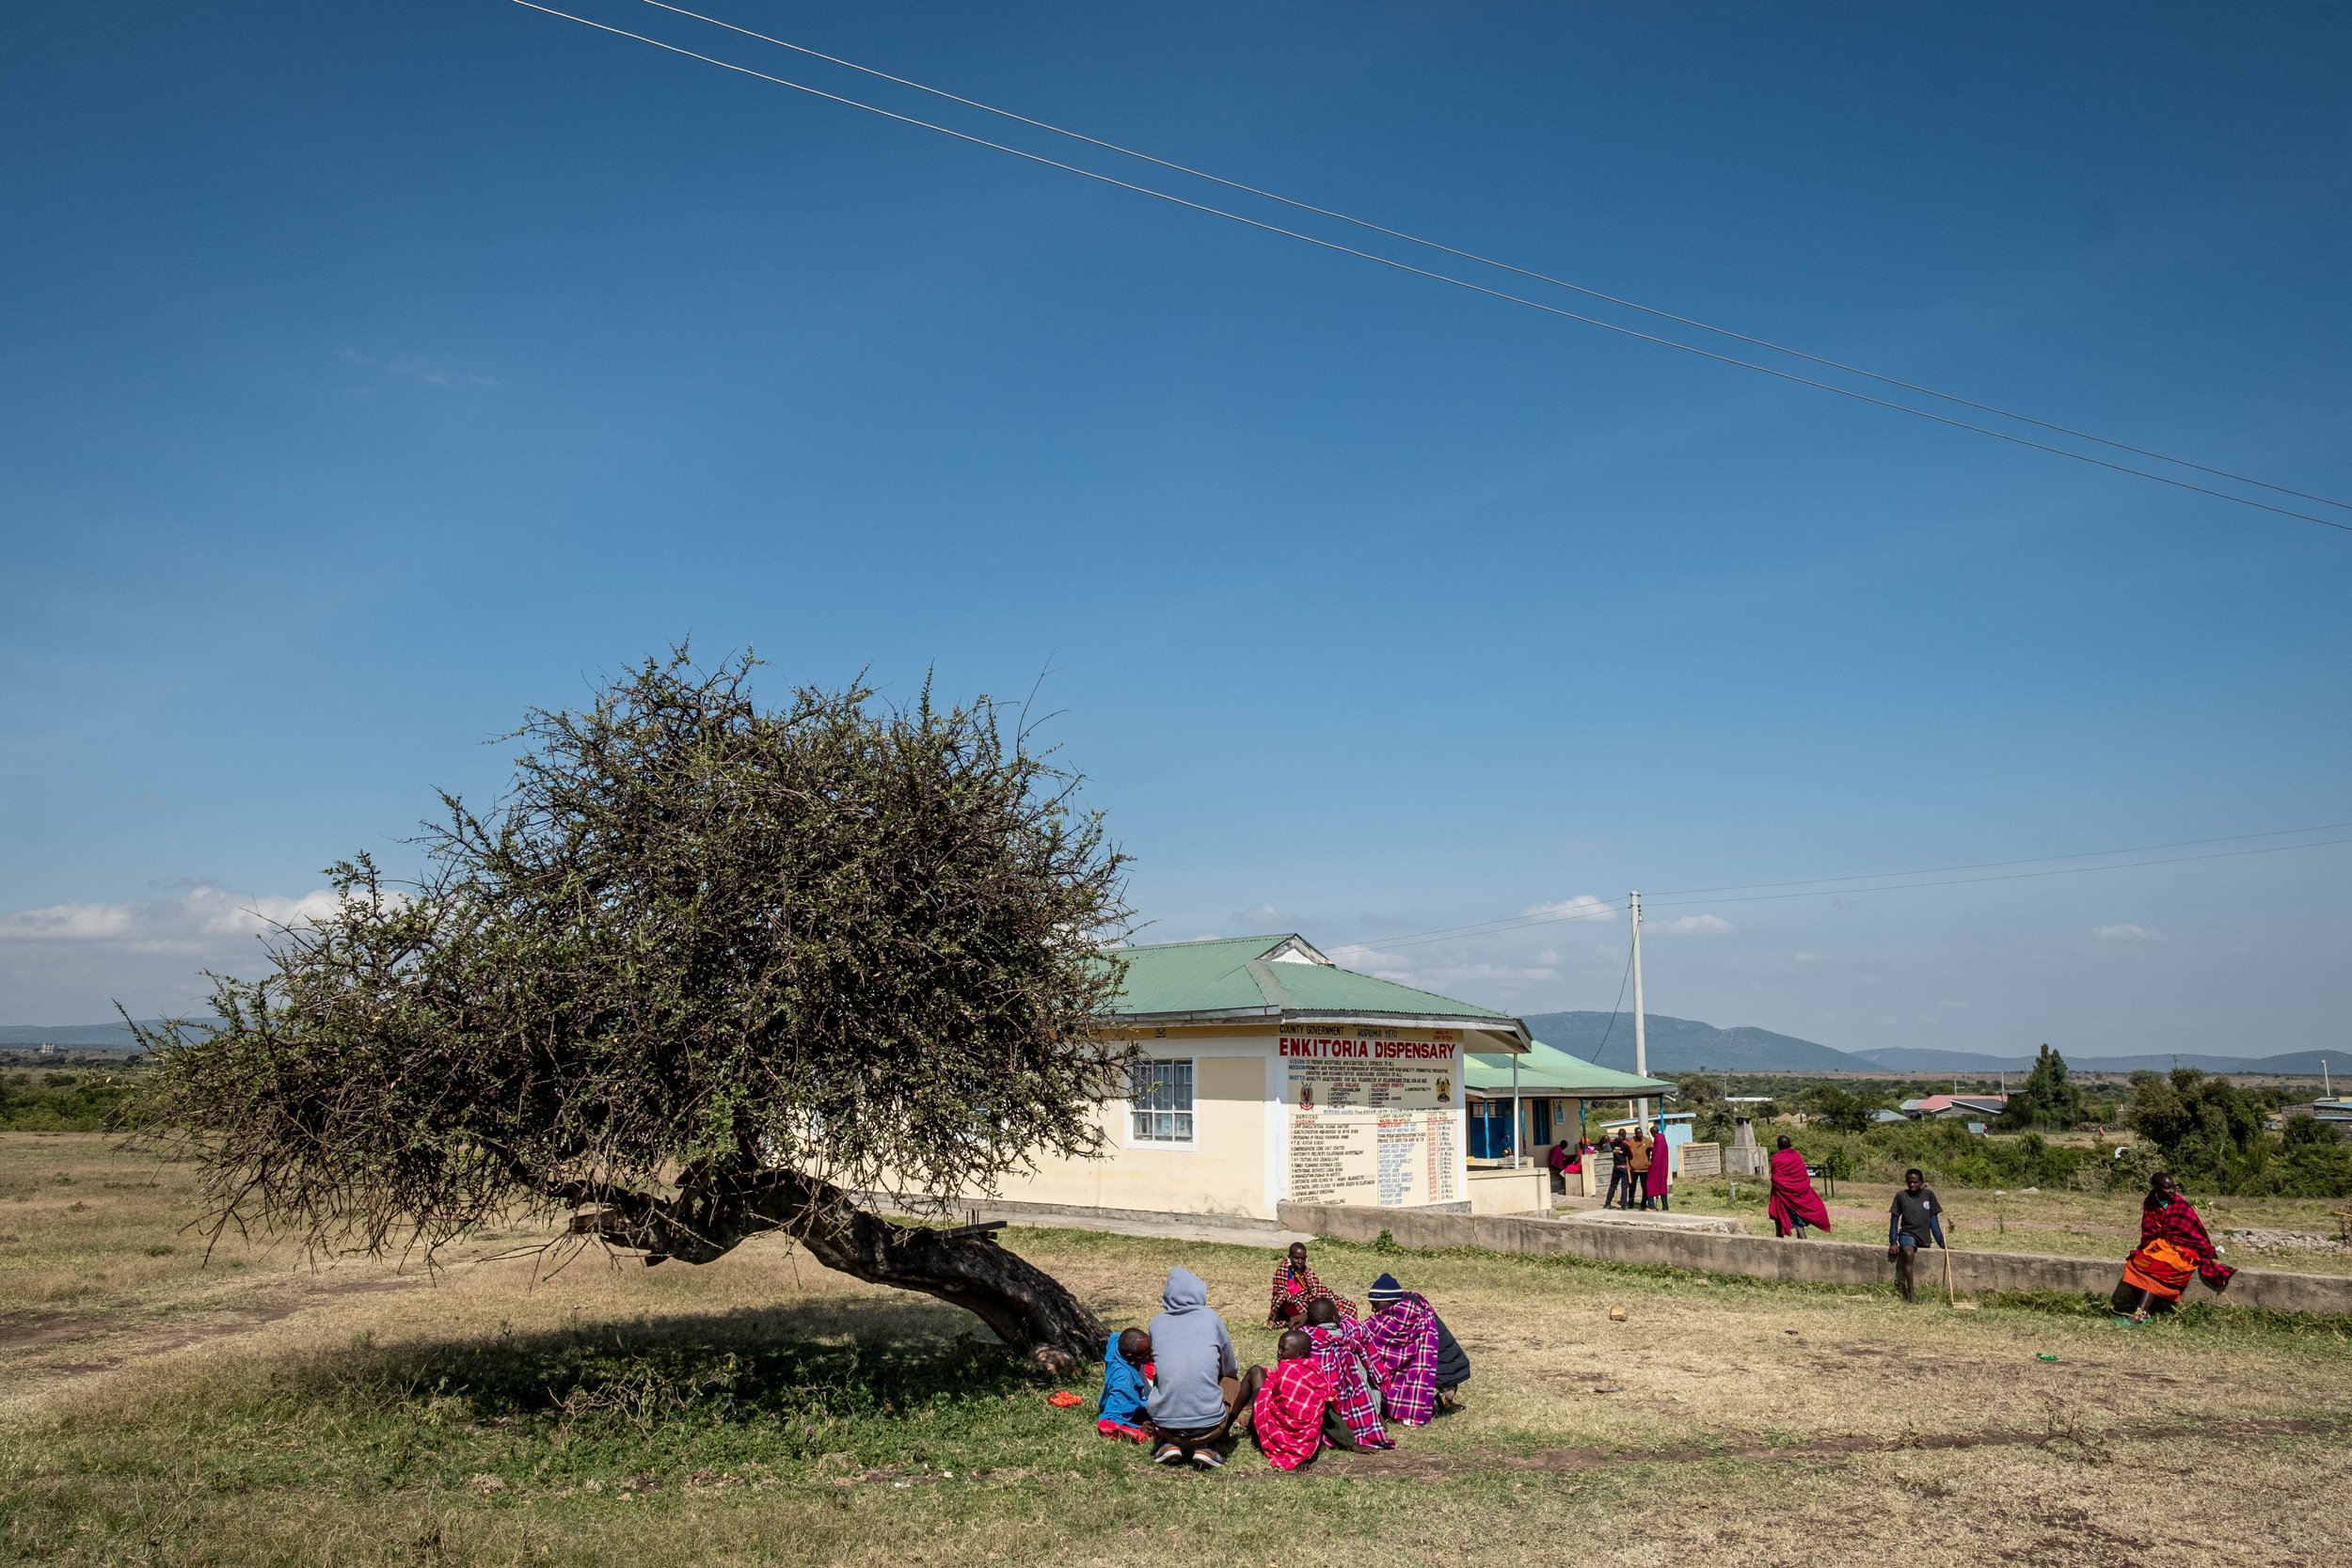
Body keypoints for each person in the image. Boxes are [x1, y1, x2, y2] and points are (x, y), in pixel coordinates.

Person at [1146, 1265, 1260, 1468]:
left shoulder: (1156, 1323)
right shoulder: (1210, 1318)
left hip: (1166, 1426)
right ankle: (1208, 1446)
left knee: (1161, 1377)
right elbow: (1229, 1367)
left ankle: (1170, 1444)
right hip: (1210, 1427)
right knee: (1231, 1381)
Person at [2112, 1173, 2234, 1323]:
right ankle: (2147, 1312)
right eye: (2167, 1188)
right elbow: (2149, 1228)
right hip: (2161, 1244)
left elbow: (2195, 1231)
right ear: (2156, 1188)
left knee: (2158, 1268)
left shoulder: (2179, 1204)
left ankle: (2140, 1315)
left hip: (2185, 1247)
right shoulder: (2150, 1202)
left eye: (2174, 1187)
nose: (2172, 1191)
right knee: (2133, 1263)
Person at [1250, 1329, 1352, 1470]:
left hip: (1283, 1431)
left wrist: (1349, 1443)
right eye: (1278, 1347)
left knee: (1255, 1372)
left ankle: (1235, 1427)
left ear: (1299, 1354)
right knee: (1257, 1372)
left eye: (1283, 1349)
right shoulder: (1315, 1370)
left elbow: (1306, 1416)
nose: (1278, 1352)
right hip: (1288, 1427)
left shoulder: (1288, 1370)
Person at [1359, 1272, 1448, 1425]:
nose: (1373, 1310)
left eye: (1375, 1305)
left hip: (1431, 1375)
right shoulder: (1417, 1312)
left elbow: (1371, 1337)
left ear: (1391, 1301)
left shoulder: (1403, 1318)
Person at [1304, 1297, 1391, 1449]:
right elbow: (1368, 1374)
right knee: (1364, 1372)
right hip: (1351, 1407)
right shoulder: (1351, 1336)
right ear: (1335, 1318)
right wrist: (1375, 1411)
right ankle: (1371, 1415)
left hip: (1317, 1408)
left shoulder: (1303, 1338)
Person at [1884, 1167, 1946, 1303]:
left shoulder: (1929, 1195)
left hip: (1923, 1236)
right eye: (1909, 1182)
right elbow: (1894, 1221)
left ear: (1922, 1182)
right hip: (1908, 1234)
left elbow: (1934, 1222)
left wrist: (1942, 1243)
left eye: (1915, 1182)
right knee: (1908, 1253)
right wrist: (1893, 1242)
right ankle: (1911, 1293)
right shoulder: (1901, 1196)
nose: (1912, 1185)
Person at [1266, 1241, 1356, 1329]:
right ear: (1289, 1257)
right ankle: (1316, 1317)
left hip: (1309, 1300)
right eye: (1296, 1258)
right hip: (1294, 1305)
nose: (1300, 1261)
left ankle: (1322, 1317)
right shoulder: (1283, 1272)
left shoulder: (1306, 1271)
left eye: (1303, 1258)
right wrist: (1272, 1319)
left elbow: (1316, 1288)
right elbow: (1279, 1296)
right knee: (1320, 1313)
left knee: (1348, 1306)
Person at [1095, 1327, 1155, 1442]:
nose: (1152, 1353)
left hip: (1142, 1376)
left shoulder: (1117, 1344)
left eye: (1150, 1347)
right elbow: (1110, 1420)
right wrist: (1137, 1428)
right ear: (1131, 1358)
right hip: (1140, 1391)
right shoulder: (1124, 1382)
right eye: (1147, 1354)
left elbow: (1115, 1336)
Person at [1768, 1134, 1833, 1238]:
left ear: (1778, 1146)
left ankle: (1778, 1251)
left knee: (1779, 1226)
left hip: (1781, 1198)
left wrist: (1784, 1188)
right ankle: (1805, 1248)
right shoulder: (1796, 1156)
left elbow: (1775, 1178)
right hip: (1797, 1199)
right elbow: (1803, 1176)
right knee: (1799, 1226)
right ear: (1790, 1145)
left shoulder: (1777, 1158)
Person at [1641, 1120, 1673, 1212]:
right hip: (1663, 1167)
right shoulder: (1662, 1138)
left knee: (1650, 1184)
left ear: (1654, 1132)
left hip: (1657, 1167)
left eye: (1652, 1133)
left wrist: (1651, 1166)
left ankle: (1651, 1205)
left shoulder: (1658, 1139)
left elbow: (1658, 1155)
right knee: (1662, 1186)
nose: (1652, 1135)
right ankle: (1665, 1206)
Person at [1603, 1129, 1634, 1209]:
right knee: (1624, 1187)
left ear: (1618, 1134)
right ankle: (1623, 1205)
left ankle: (1607, 1204)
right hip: (1624, 1168)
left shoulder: (1612, 1142)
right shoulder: (1626, 1144)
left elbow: (1608, 1146)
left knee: (1612, 1186)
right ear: (1625, 1134)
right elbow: (1631, 1156)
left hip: (1616, 1167)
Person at [1623, 1127, 1653, 1210]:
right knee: (1632, 1187)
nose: (1640, 1135)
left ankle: (1643, 1204)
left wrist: (1651, 1161)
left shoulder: (1647, 1141)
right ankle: (1630, 1204)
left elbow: (1654, 1149)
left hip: (1644, 1169)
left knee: (1645, 1188)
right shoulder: (1631, 1141)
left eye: (1641, 1133)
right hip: (1633, 1169)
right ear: (1635, 1134)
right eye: (1638, 1133)